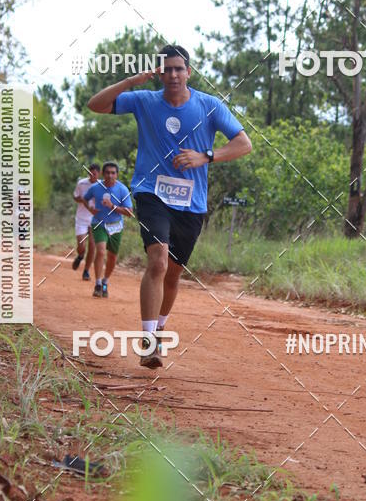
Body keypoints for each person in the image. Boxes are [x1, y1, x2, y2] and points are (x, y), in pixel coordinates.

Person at [87, 44, 252, 369]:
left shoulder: (209, 105)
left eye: (179, 69)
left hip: (192, 204)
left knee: (173, 275)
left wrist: (206, 156)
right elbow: (95, 104)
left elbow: (244, 144)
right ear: (159, 73)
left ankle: (160, 329)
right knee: (158, 262)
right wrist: (130, 82)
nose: (174, 74)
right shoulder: (145, 100)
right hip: (151, 194)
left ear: (188, 72)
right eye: (167, 69)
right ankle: (148, 342)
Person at [83, 161, 133, 298]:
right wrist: (90, 209)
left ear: (117, 175)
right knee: (100, 251)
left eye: (113, 173)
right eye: (107, 173)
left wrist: (113, 207)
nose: (110, 175)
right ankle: (98, 284)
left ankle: (105, 281)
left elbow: (130, 212)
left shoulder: (122, 190)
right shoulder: (95, 188)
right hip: (99, 223)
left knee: (112, 256)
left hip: (116, 226)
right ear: (103, 174)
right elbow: (85, 199)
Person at [72, 163, 100, 280]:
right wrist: (83, 200)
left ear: (99, 174)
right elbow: (75, 197)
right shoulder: (82, 183)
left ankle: (86, 271)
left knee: (93, 246)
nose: (92, 176)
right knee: (81, 246)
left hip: (95, 220)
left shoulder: (102, 186)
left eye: (94, 174)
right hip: (82, 219)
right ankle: (80, 255)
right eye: (90, 173)